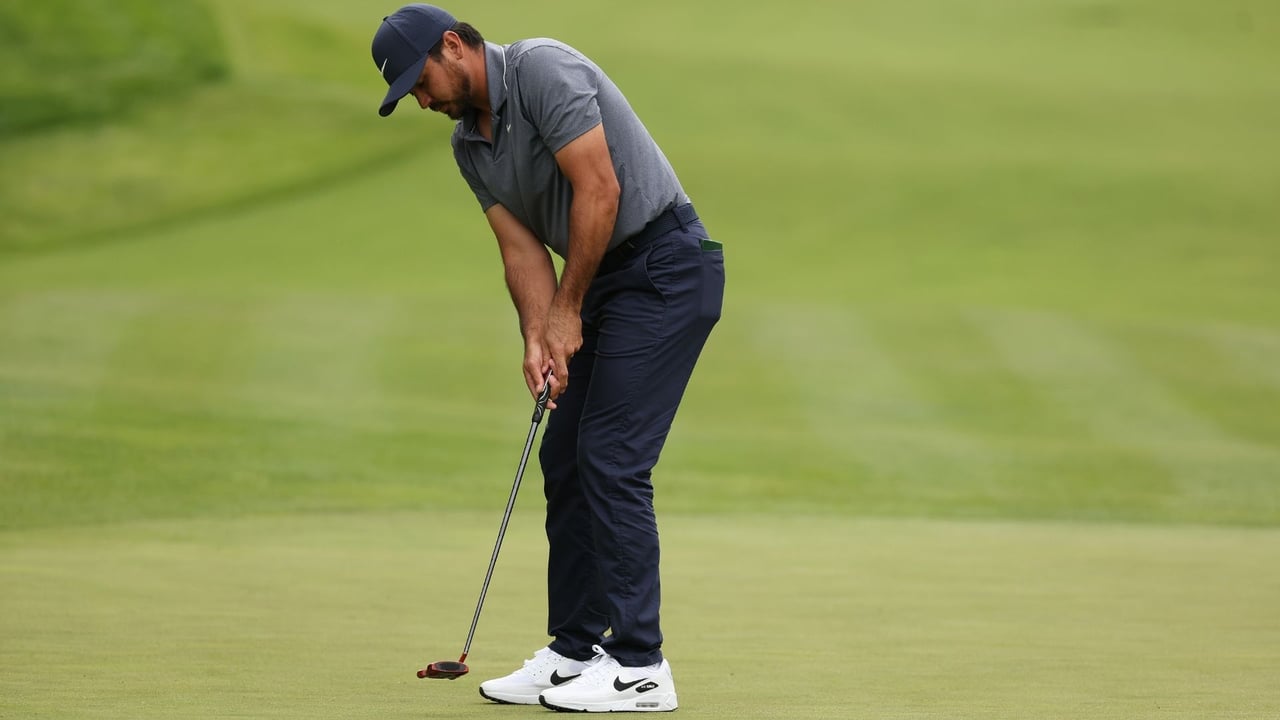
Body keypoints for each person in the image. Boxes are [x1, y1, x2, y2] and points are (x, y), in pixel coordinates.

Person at [371, 4, 724, 713]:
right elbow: (521, 249)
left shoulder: (543, 69)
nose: (421, 98)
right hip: (598, 284)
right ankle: (573, 651)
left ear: (453, 45)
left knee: (613, 456)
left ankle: (640, 668)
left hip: (664, 267)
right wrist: (538, 335)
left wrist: (568, 311)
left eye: (421, 80)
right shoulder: (469, 147)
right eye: (408, 91)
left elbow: (601, 191)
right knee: (565, 455)